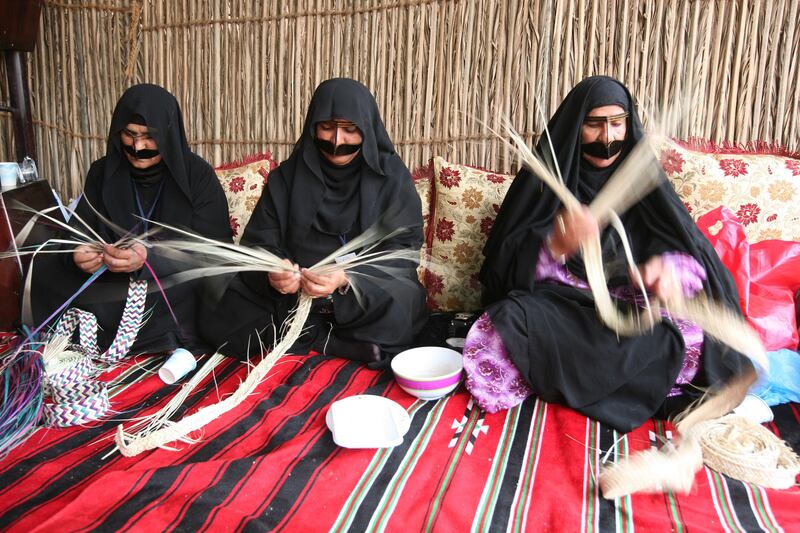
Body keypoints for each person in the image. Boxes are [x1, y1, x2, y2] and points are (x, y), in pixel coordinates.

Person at [466, 76, 752, 432]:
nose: (608, 138)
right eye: (594, 125)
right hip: (563, 308)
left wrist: (666, 272)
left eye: (617, 124)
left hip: (631, 310)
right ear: (574, 127)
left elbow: (687, 250)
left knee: (691, 336)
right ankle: (625, 383)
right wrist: (554, 245)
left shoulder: (644, 182)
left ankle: (575, 378)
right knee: (507, 323)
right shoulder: (543, 181)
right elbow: (499, 273)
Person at [201, 78, 427, 365]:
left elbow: (404, 249)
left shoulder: (391, 178)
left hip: (358, 292)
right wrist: (275, 271)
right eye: (327, 127)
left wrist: (345, 277)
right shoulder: (286, 178)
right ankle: (329, 342)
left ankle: (306, 337)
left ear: (367, 129)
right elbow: (259, 242)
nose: (336, 140)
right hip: (292, 296)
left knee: (402, 301)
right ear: (312, 126)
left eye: (349, 129)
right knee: (217, 296)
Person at [29, 83, 231, 355]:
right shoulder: (102, 172)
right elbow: (77, 229)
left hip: (170, 283)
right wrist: (78, 253)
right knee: (45, 271)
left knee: (204, 291)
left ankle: (157, 338)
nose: (138, 146)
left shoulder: (198, 176)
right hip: (112, 281)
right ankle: (138, 336)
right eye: (130, 134)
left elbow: (214, 250)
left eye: (149, 136)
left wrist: (149, 259)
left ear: (169, 134)